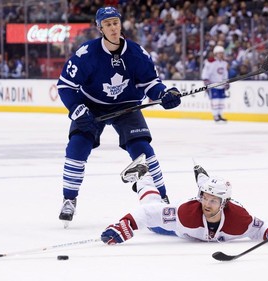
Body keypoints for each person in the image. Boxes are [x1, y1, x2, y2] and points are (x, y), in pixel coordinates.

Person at [56, 7, 181, 228]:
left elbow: (151, 83)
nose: (113, 27)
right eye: (108, 24)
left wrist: (164, 94)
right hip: (91, 105)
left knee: (142, 149)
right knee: (78, 145)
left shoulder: (136, 53)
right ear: (100, 28)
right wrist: (77, 109)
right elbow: (65, 85)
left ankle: (161, 199)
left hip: (126, 105)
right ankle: (69, 199)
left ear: (121, 24)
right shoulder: (87, 54)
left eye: (116, 23)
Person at [101, 154, 268, 245]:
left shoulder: (238, 218)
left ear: (224, 204)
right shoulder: (186, 213)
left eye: (213, 201)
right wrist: (123, 225)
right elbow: (148, 214)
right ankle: (143, 175)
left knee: (203, 184)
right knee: (153, 207)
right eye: (204, 198)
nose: (206, 204)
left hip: (199, 224)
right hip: (182, 231)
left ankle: (201, 176)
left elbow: (261, 229)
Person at [201, 45, 229, 122]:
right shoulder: (210, 62)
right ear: (215, 54)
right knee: (215, 100)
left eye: (222, 53)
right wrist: (206, 81)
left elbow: (225, 74)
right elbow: (206, 73)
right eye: (219, 53)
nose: (221, 54)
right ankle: (215, 115)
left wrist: (226, 82)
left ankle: (220, 114)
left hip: (222, 85)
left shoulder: (224, 63)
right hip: (213, 84)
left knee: (221, 100)